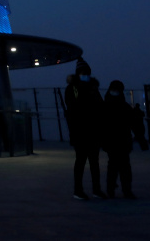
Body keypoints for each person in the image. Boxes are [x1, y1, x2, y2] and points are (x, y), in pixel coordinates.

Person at [62, 58, 104, 200]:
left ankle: (95, 189)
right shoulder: (73, 89)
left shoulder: (92, 88)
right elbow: (74, 109)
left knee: (93, 162)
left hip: (91, 132)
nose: (85, 75)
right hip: (81, 132)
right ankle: (79, 190)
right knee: (82, 161)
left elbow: (100, 108)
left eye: (87, 73)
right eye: (83, 72)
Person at [101, 80, 145, 199]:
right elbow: (134, 124)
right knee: (123, 167)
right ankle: (125, 190)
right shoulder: (124, 107)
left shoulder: (106, 106)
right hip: (120, 141)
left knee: (114, 167)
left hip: (114, 142)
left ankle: (113, 189)